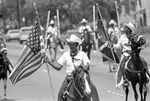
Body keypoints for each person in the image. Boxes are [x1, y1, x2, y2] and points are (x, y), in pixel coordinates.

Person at [45, 34, 99, 100]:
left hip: (81, 77)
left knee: (93, 88)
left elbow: (87, 66)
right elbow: (58, 67)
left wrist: (83, 68)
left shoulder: (82, 54)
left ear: (77, 45)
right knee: (61, 93)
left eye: (73, 44)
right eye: (70, 44)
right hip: (70, 78)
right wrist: (49, 62)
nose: (72, 46)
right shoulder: (65, 55)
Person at [106, 22, 150, 89]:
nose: (124, 29)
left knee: (143, 61)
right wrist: (112, 45)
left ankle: (146, 76)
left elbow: (140, 42)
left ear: (129, 29)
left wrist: (141, 44)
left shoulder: (135, 37)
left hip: (134, 54)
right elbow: (118, 46)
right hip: (125, 55)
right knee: (121, 66)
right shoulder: (122, 37)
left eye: (126, 28)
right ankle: (123, 81)